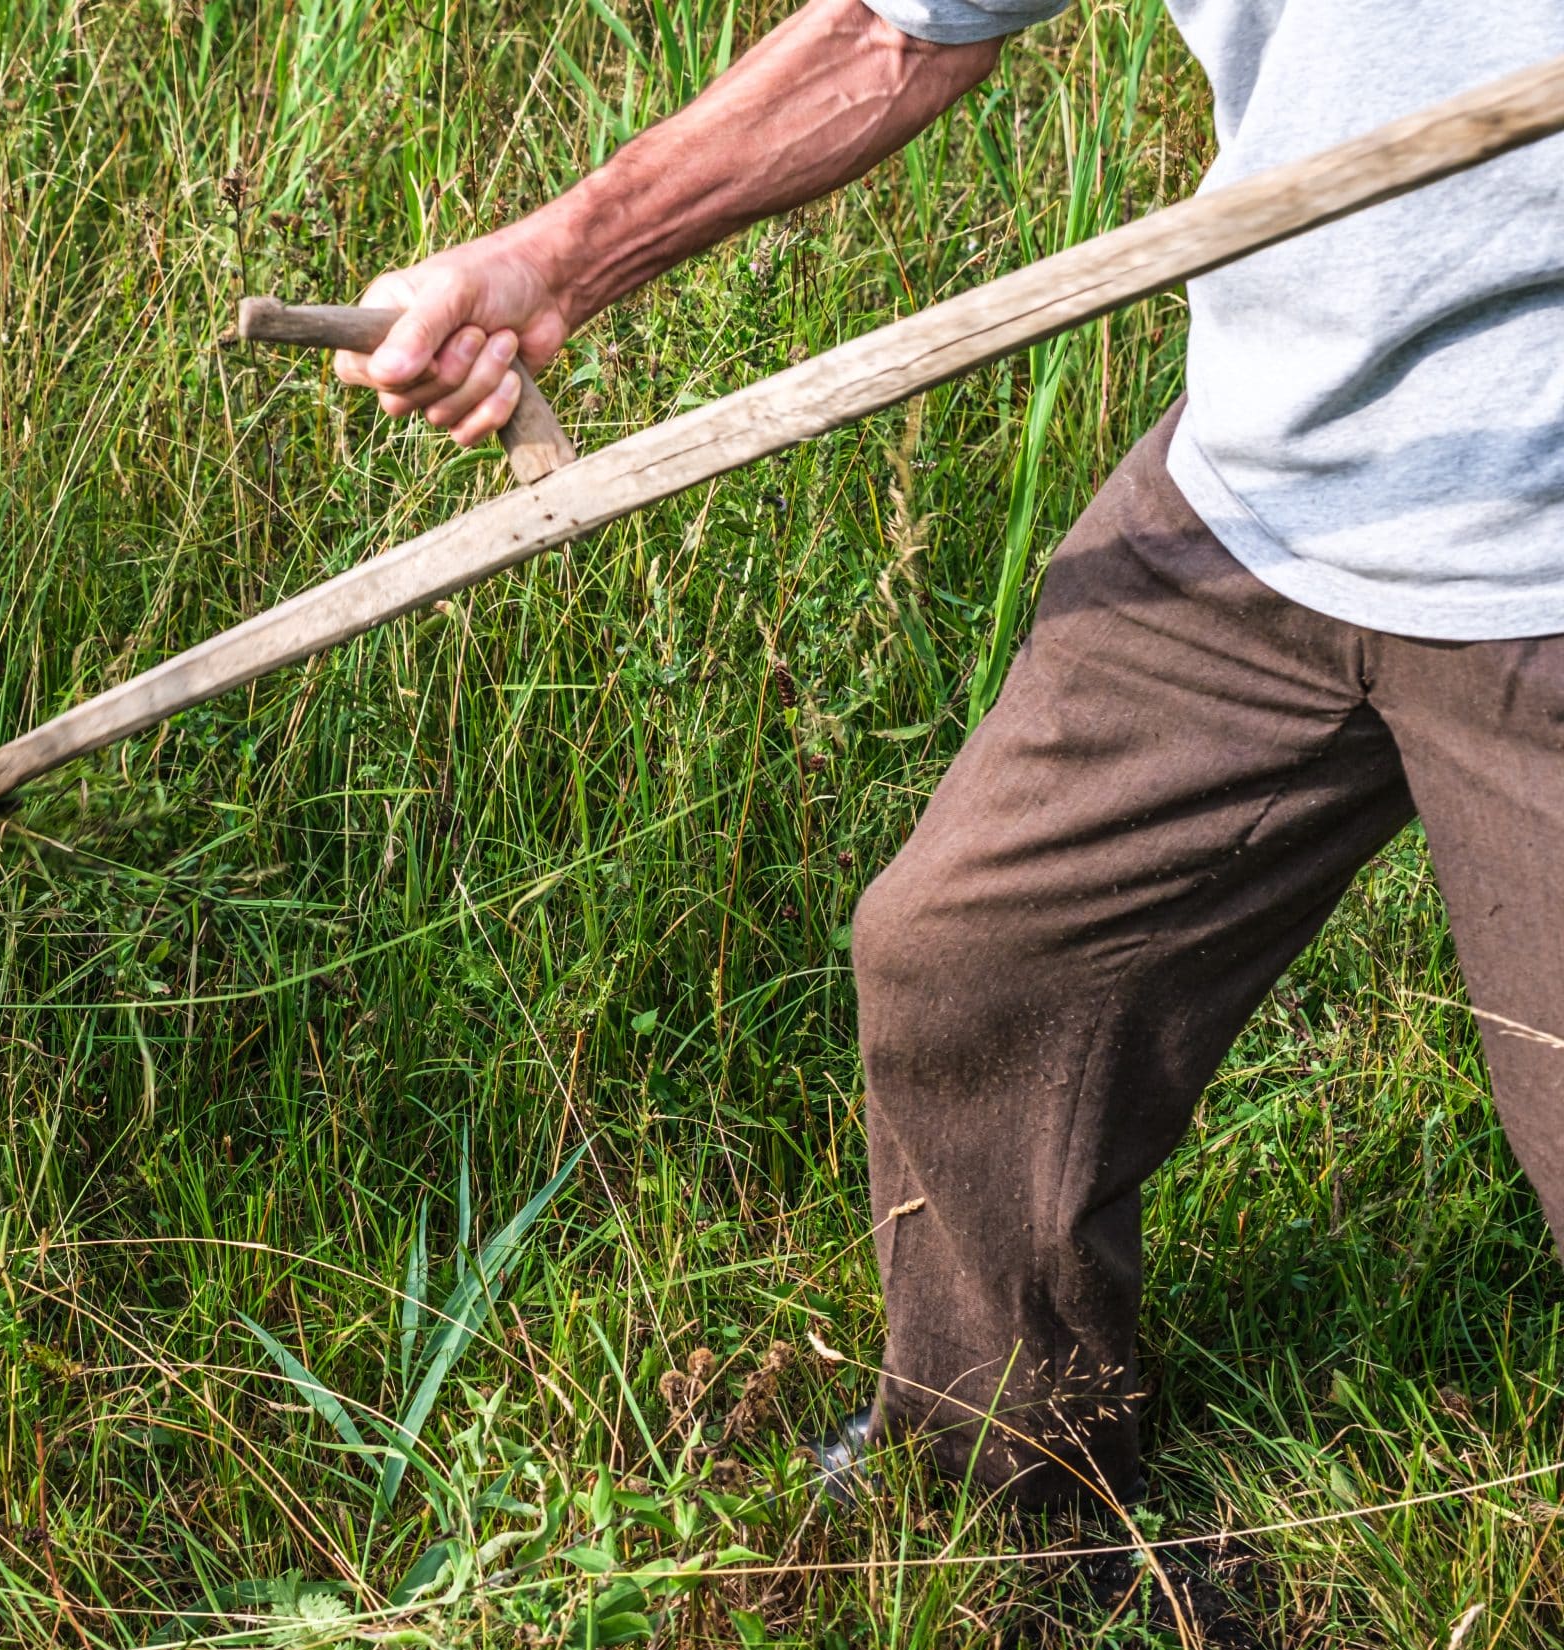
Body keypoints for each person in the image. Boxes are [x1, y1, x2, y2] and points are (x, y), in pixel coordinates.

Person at [332, 0, 1564, 1508]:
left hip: (1545, 566)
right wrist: (547, 262)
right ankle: (993, 1479)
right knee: (975, 960)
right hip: (1262, 491)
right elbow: (895, 29)